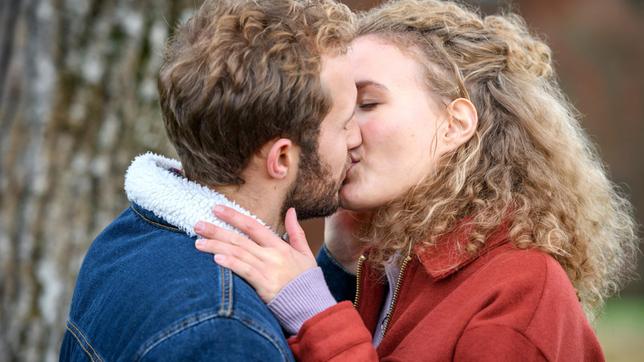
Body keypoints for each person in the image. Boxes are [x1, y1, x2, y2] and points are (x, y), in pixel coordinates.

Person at [194, 0, 639, 360]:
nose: (343, 133)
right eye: (340, 109)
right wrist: (338, 271)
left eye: (366, 104)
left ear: (455, 124)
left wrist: (316, 314)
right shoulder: (385, 263)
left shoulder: (519, 294)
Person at [59, 0, 360, 360]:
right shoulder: (225, 333)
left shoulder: (126, 238)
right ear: (280, 158)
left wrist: (335, 273)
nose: (356, 137)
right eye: (344, 124)